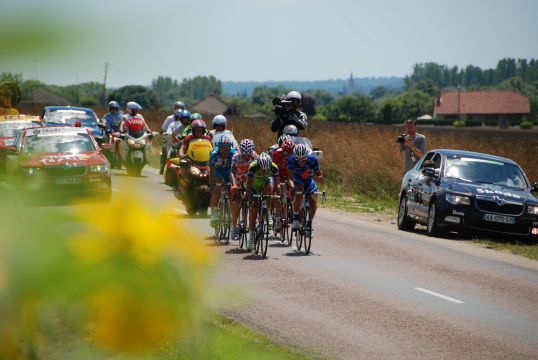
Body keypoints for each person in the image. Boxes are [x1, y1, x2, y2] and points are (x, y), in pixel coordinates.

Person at [245, 152, 279, 251]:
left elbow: (276, 185)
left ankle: (267, 211)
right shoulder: (253, 166)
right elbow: (249, 184)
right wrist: (248, 197)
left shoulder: (274, 167)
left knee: (269, 191)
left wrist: (279, 196)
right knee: (255, 206)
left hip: (265, 182)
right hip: (254, 185)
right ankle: (251, 236)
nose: (264, 171)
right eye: (262, 169)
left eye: (266, 170)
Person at [288, 144, 323, 231]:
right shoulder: (291, 160)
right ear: (295, 157)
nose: (301, 162)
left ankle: (309, 222)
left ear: (306, 157)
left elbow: (321, 178)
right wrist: (292, 188)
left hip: (309, 180)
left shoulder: (312, 159)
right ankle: (295, 218)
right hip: (297, 179)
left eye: (303, 160)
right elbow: (290, 178)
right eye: (298, 160)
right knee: (299, 191)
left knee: (313, 201)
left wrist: (312, 175)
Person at [230, 139, 258, 240]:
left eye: (248, 154)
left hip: (249, 180)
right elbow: (232, 172)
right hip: (238, 179)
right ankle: (233, 227)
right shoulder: (236, 157)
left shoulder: (255, 157)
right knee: (238, 200)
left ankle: (251, 224)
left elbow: (258, 173)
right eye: (244, 154)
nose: (246, 157)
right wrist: (234, 185)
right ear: (240, 152)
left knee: (253, 200)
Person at [209, 136, 237, 228]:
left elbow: (236, 170)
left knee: (231, 191)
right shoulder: (214, 154)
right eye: (222, 148)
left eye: (227, 148)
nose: (224, 150)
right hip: (218, 172)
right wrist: (211, 183)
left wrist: (235, 183)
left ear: (230, 147)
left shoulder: (234, 154)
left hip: (229, 171)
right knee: (217, 188)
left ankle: (229, 210)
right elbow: (212, 170)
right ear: (219, 147)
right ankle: (215, 213)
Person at [271, 138, 295, 231]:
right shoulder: (277, 153)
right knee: (278, 195)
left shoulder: (295, 154)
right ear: (283, 149)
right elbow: (273, 168)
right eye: (286, 152)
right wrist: (276, 182)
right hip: (279, 173)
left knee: (292, 191)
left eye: (291, 152)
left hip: (290, 173)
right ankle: (277, 219)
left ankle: (291, 209)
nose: (289, 154)